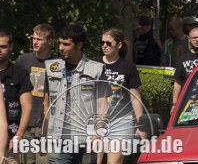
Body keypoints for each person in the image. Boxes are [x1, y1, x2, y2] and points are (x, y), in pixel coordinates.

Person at [44, 24, 105, 164]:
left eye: (66, 44)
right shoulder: (51, 68)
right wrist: (44, 135)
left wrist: (98, 132)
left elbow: (102, 104)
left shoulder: (96, 70)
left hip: (87, 138)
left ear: (79, 45)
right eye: (60, 43)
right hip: (58, 138)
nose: (60, 48)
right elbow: (45, 104)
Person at [97, 28, 145, 164]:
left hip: (122, 120)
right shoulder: (94, 65)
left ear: (119, 45)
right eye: (102, 43)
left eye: (108, 43)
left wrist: (141, 125)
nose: (104, 46)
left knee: (114, 161)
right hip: (96, 118)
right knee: (95, 160)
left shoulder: (128, 66)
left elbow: (135, 97)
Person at [14, 23, 54, 164]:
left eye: (39, 39)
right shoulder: (23, 61)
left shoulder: (57, 63)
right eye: (34, 38)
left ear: (50, 41)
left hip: (47, 124)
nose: (35, 42)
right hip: (25, 123)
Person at [0, 29, 23, 164]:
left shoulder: (19, 74)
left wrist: (18, 135)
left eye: (3, 46)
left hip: (8, 139)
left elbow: (2, 122)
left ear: (10, 47)